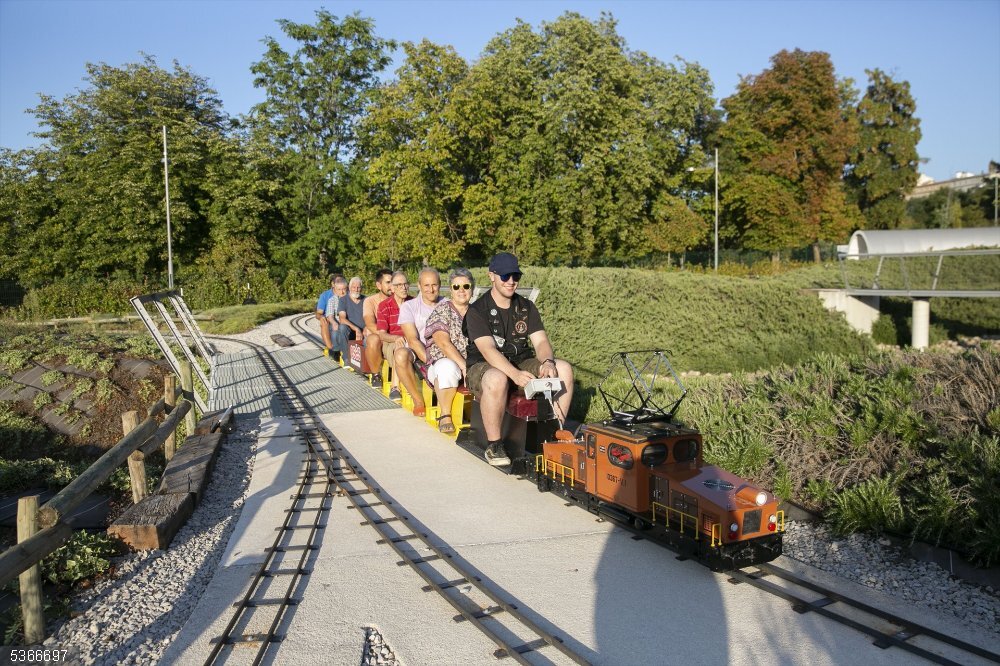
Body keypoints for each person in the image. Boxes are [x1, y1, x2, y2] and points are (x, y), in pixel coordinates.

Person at [463, 252, 574, 466]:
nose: (511, 281)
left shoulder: (526, 307)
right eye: (505, 276)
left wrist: (548, 362)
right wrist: (513, 374)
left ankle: (554, 436)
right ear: (491, 276)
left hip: (521, 360)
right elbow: (487, 350)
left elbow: (540, 342)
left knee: (564, 369)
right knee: (497, 378)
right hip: (483, 366)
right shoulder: (477, 310)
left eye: (515, 276)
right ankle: (494, 445)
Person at [424, 268, 474, 434]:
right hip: (442, 364)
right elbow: (443, 343)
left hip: (472, 362)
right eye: (456, 286)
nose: (461, 290)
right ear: (450, 290)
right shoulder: (442, 310)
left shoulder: (478, 313)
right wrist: (465, 366)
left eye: (466, 286)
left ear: (472, 289)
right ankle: (445, 414)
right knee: (447, 367)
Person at [395, 268, 443, 417]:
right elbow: (412, 339)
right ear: (420, 286)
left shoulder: (447, 304)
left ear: (440, 285)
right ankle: (418, 400)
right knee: (400, 355)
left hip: (444, 350)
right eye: (427, 285)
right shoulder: (409, 306)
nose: (431, 289)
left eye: (434, 285)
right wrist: (431, 362)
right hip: (420, 351)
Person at [375, 271, 412, 400]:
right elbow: (382, 335)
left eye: (406, 284)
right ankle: (395, 386)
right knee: (399, 347)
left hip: (412, 340)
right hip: (391, 342)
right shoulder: (384, 306)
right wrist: (396, 338)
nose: (404, 287)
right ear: (393, 288)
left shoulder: (413, 303)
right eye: (399, 285)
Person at [363, 269, 393, 386]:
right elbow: (370, 323)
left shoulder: (401, 299)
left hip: (395, 335)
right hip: (378, 336)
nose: (392, 286)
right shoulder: (370, 301)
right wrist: (387, 336)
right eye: (388, 282)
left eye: (393, 282)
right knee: (373, 339)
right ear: (378, 285)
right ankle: (376, 374)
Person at [315, 274, 343, 357]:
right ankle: (331, 347)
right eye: (338, 282)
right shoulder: (325, 295)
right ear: (333, 284)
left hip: (342, 318)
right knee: (324, 322)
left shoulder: (346, 293)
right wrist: (321, 317)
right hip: (329, 319)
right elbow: (319, 313)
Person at [324, 277, 349, 362]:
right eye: (339, 289)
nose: (342, 292)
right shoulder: (332, 300)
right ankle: (336, 350)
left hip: (348, 323)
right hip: (337, 322)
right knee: (335, 331)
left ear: (347, 288)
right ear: (335, 289)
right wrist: (334, 322)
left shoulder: (350, 298)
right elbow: (330, 315)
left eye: (344, 289)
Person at [339, 276, 365, 341]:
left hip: (365, 330)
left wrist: (367, 328)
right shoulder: (343, 300)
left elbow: (371, 316)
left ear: (361, 288)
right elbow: (342, 319)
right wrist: (356, 329)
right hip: (350, 330)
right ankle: (346, 351)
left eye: (358, 287)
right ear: (349, 288)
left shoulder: (366, 300)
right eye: (354, 287)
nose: (356, 290)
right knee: (342, 327)